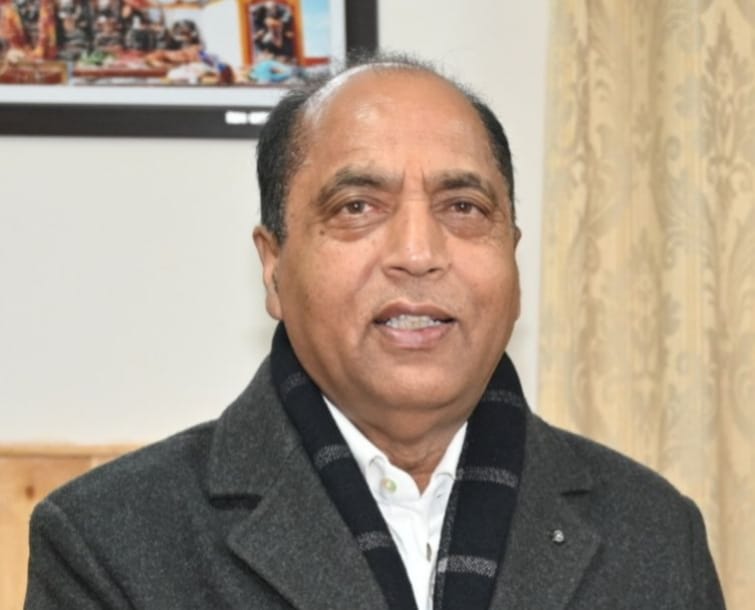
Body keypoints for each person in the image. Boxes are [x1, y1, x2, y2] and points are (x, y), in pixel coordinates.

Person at [23, 54, 726, 610]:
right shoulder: (106, 543)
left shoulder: (655, 531)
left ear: (513, 256)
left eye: (463, 206)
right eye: (357, 206)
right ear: (273, 267)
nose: (418, 253)